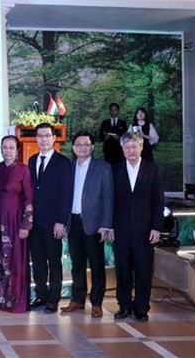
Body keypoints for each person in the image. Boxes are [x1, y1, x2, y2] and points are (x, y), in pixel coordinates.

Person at [110, 132, 163, 322]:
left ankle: (141, 307)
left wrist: (157, 228)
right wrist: (109, 227)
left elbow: (158, 202)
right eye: (127, 147)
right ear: (122, 149)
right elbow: (110, 202)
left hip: (145, 230)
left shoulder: (153, 170)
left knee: (143, 270)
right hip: (121, 229)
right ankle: (124, 306)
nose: (131, 150)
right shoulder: (114, 171)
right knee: (122, 270)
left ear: (141, 147)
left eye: (135, 146)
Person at [61, 131, 113, 318]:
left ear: (92, 147)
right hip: (73, 222)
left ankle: (97, 303)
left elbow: (108, 197)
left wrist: (106, 224)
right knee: (77, 264)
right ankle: (77, 299)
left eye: (86, 144)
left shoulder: (103, 168)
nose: (82, 147)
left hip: (94, 224)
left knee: (97, 265)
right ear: (74, 148)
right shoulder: (69, 167)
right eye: (79, 144)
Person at [28, 123, 73, 313]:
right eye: (40, 136)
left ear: (54, 138)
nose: (43, 139)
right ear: (36, 138)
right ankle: (41, 294)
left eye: (47, 136)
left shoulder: (63, 163)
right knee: (37, 261)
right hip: (35, 222)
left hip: (54, 222)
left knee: (54, 262)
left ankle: (54, 298)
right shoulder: (31, 160)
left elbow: (66, 194)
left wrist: (61, 221)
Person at [0, 135, 33, 313]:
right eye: (4, 147)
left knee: (15, 261)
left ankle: (16, 301)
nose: (7, 151)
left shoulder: (23, 169)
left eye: (11, 147)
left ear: (17, 150)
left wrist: (26, 224)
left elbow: (29, 198)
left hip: (15, 222)